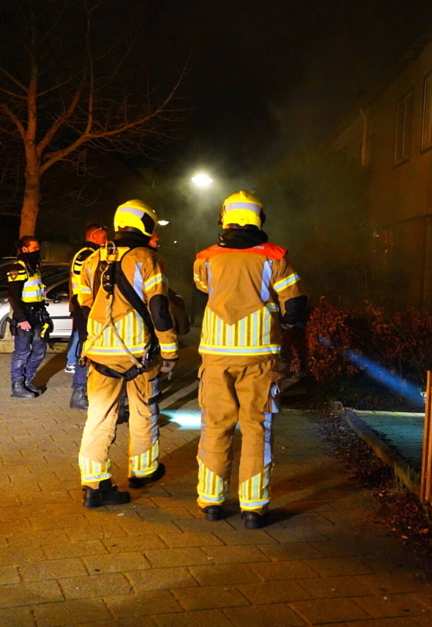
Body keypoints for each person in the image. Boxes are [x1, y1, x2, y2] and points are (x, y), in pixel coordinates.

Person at [192, 191, 306, 529]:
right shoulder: (274, 258)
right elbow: (295, 304)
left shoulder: (206, 258)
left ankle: (211, 501)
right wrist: (284, 323)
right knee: (257, 429)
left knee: (215, 426)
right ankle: (253, 509)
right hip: (259, 357)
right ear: (259, 219)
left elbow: (204, 288)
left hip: (215, 357)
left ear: (224, 219)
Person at [76, 199, 180, 508]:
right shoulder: (148, 259)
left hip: (99, 354)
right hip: (138, 354)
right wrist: (170, 351)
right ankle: (143, 470)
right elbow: (159, 308)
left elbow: (83, 307)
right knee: (143, 410)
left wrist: (88, 344)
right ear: (144, 223)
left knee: (98, 418)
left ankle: (94, 485)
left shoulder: (93, 260)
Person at [66, 221, 108, 411]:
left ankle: (88, 391)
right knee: (87, 349)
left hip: (86, 309)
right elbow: (90, 285)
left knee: (90, 349)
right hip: (87, 310)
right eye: (104, 237)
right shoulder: (88, 255)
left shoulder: (86, 254)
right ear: (93, 236)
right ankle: (79, 393)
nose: (106, 241)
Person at [7, 236, 50, 399]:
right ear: (24, 249)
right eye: (34, 248)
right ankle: (17, 385)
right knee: (22, 352)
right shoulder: (18, 268)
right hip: (25, 315)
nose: (37, 250)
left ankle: (27, 380)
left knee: (40, 350)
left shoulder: (35, 267)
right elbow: (14, 296)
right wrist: (21, 318)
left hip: (38, 314)